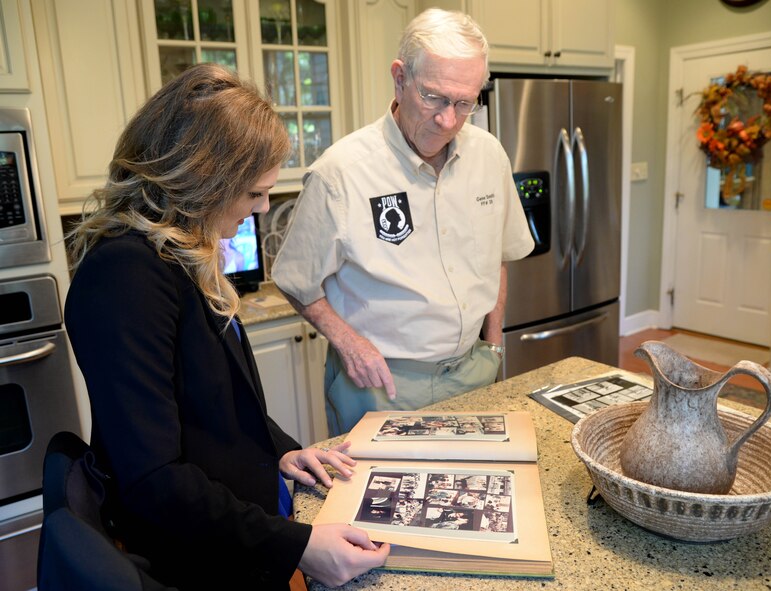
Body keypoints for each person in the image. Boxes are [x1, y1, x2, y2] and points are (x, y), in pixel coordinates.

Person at [64, 63, 389, 590]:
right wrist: (299, 547)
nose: (262, 208)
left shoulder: (179, 254)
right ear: (201, 179)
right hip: (196, 561)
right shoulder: (124, 275)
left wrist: (281, 448)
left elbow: (219, 406)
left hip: (235, 534)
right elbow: (154, 481)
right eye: (253, 194)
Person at [273, 8, 534, 436]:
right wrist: (348, 344)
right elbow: (294, 278)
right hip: (379, 384)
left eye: (464, 102)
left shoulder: (490, 156)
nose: (448, 119)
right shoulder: (341, 172)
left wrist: (494, 341)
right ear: (400, 78)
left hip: (475, 369)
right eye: (434, 97)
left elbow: (500, 254)